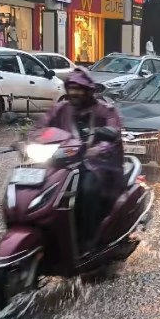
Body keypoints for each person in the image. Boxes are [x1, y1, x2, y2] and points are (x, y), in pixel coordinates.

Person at [38, 69, 126, 253]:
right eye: (71, 88)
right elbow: (41, 127)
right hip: (63, 162)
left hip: (100, 165)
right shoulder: (61, 108)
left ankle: (89, 240)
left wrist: (96, 149)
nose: (75, 93)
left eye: (79, 89)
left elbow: (114, 133)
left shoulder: (105, 110)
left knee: (87, 188)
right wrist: (26, 141)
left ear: (88, 91)